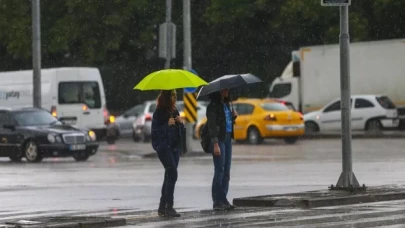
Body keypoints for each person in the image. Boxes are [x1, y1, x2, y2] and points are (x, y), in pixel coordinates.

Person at [151, 89, 184, 217]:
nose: (175, 99)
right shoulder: (158, 113)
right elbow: (155, 132)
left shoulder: (174, 111)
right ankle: (169, 206)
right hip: (164, 147)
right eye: (173, 96)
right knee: (172, 173)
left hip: (175, 147)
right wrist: (166, 125)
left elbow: (178, 130)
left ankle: (162, 206)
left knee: (169, 175)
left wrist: (180, 123)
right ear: (167, 98)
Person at [206, 89, 238, 211]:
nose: (228, 91)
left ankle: (223, 198)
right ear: (220, 91)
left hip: (228, 138)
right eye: (226, 89)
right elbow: (212, 125)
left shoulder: (226, 104)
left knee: (226, 171)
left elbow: (226, 122)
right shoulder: (212, 107)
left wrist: (233, 117)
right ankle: (217, 201)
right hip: (219, 140)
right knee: (219, 170)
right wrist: (215, 143)